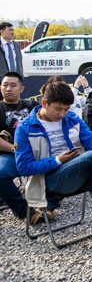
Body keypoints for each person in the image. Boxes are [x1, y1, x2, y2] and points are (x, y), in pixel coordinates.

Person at [14, 82, 92, 229]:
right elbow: (23, 168)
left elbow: (91, 139)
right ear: (44, 103)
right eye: (58, 109)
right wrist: (57, 160)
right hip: (49, 180)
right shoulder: (25, 128)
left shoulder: (71, 118)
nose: (62, 114)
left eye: (66, 109)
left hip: (80, 174)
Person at [0, 72, 38, 219]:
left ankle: (49, 205)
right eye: (5, 85)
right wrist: (16, 150)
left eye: (13, 85)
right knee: (0, 175)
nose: (8, 88)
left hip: (37, 151)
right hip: (11, 154)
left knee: (59, 163)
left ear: (21, 89)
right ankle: (25, 211)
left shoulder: (33, 106)